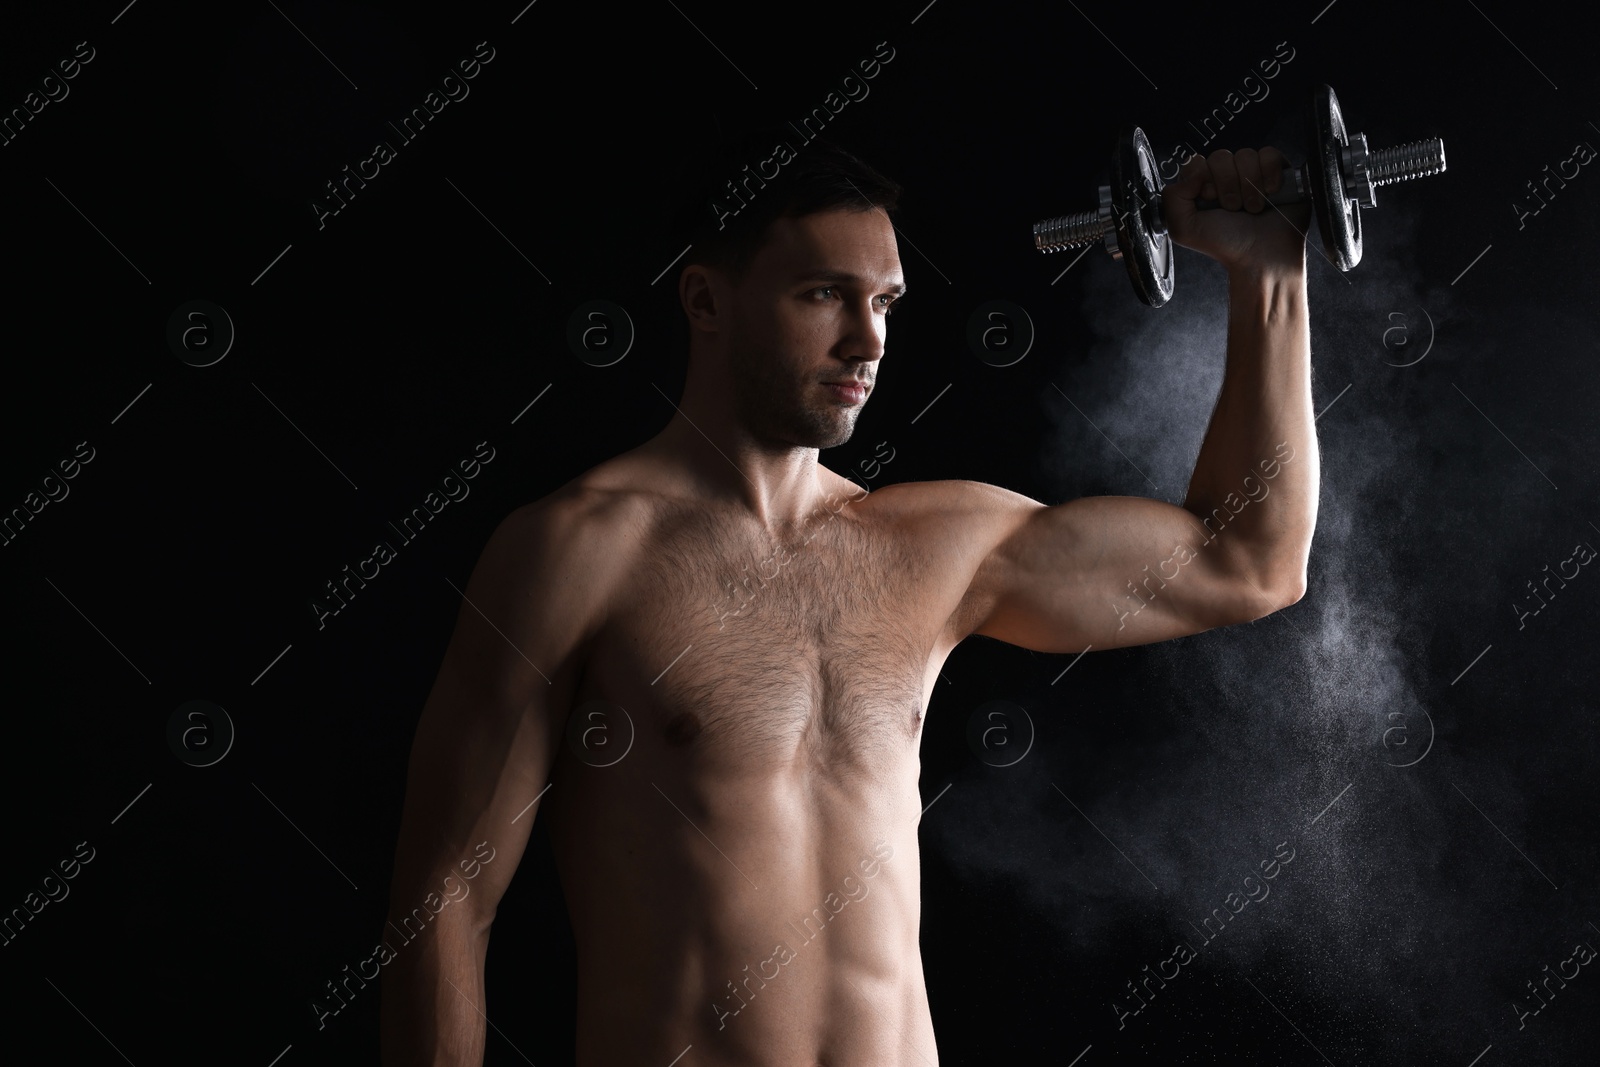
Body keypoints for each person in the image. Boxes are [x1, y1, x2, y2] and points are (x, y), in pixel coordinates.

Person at [379, 132, 1317, 1066]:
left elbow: (1250, 560)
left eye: (885, 303)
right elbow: (446, 900)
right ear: (706, 299)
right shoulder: (577, 552)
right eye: (824, 294)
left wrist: (1268, 275)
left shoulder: (934, 547)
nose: (868, 339)